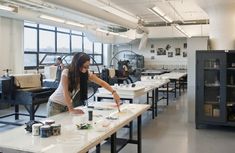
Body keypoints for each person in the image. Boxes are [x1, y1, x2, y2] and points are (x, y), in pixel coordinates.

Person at [47, 52, 121, 117]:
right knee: (54, 130)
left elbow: (101, 82)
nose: (86, 69)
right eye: (85, 66)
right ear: (77, 64)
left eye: (88, 66)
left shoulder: (86, 73)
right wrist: (71, 109)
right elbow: (65, 92)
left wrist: (113, 92)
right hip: (55, 105)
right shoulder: (66, 72)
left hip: (66, 105)